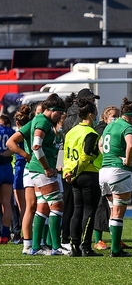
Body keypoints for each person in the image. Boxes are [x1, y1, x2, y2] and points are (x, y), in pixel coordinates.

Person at [98, 97, 132, 258]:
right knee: (118, 211)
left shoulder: (110, 125)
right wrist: (127, 161)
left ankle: (115, 246)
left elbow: (100, 144)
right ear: (130, 116)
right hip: (118, 171)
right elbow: (131, 145)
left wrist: (109, 156)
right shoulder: (127, 126)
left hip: (104, 171)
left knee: (112, 209)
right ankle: (116, 249)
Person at [58, 89, 100, 252]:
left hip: (72, 175)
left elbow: (67, 153)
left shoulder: (71, 131)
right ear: (89, 114)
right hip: (87, 173)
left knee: (77, 210)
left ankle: (74, 244)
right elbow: (85, 156)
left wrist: (68, 172)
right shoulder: (90, 132)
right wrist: (75, 171)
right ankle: (85, 246)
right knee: (89, 211)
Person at [26, 94, 67, 255]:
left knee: (43, 205)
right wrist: (47, 168)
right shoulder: (42, 121)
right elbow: (37, 146)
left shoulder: (41, 121)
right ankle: (56, 246)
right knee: (57, 204)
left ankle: (36, 247)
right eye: (59, 113)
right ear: (51, 110)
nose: (60, 117)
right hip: (41, 169)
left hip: (37, 168)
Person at [5, 104, 38, 254]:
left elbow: (9, 149)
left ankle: (24, 237)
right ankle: (31, 239)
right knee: (32, 207)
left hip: (21, 171)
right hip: (28, 170)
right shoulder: (30, 131)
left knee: (24, 208)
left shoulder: (21, 132)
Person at [91, 105, 120, 251]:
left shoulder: (114, 128)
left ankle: (116, 238)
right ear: (105, 117)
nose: (115, 118)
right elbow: (100, 146)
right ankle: (98, 240)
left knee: (116, 206)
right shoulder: (102, 129)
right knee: (101, 206)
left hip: (110, 170)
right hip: (100, 170)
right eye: (112, 116)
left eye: (117, 115)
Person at [0, 115, 15, 243]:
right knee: (6, 202)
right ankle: (5, 234)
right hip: (7, 168)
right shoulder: (10, 131)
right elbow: (15, 146)